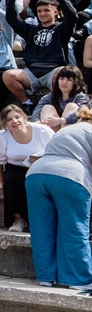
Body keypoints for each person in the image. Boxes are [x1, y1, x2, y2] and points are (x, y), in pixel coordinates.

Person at [26, 107, 92, 290]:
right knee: (74, 228)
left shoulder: (68, 129)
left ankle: (46, 277)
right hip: (70, 177)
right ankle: (79, 280)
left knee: (41, 229)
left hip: (35, 175)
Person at [1, 0, 77, 101]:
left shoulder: (61, 29)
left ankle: (56, 104)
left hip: (53, 70)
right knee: (7, 75)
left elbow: (73, 17)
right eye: (40, 11)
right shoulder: (31, 29)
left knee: (62, 74)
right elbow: (11, 19)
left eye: (47, 10)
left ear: (56, 12)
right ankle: (26, 102)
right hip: (31, 72)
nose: (42, 14)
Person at [0, 105, 54, 233]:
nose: (14, 121)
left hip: (42, 166)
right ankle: (18, 220)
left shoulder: (42, 131)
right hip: (16, 166)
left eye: (17, 117)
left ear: (24, 118)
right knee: (11, 181)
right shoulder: (2, 136)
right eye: (9, 119)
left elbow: (57, 150)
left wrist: (41, 159)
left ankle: (42, 221)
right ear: (5, 124)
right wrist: (0, 181)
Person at [34, 66, 90, 131]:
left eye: (69, 80)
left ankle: (64, 138)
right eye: (62, 79)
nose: (64, 82)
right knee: (47, 107)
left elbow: (82, 113)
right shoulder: (50, 97)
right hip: (53, 128)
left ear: (76, 82)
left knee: (71, 106)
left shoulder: (81, 98)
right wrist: (36, 122)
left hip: (73, 130)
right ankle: (47, 137)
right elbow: (37, 110)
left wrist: (61, 120)